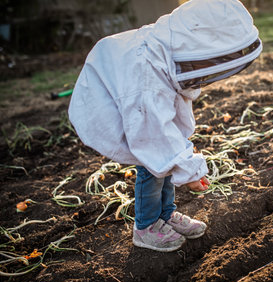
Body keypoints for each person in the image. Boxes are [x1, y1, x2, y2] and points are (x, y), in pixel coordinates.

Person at [68, 0, 262, 252]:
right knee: (152, 165)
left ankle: (166, 214)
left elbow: (169, 129)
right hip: (111, 102)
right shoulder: (148, 76)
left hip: (140, 101)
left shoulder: (166, 60)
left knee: (164, 161)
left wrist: (181, 157)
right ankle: (145, 226)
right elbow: (153, 138)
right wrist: (190, 172)